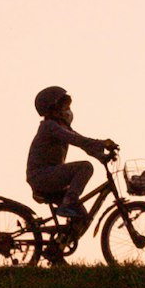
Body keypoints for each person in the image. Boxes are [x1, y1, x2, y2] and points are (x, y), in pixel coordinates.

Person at [27, 84, 114, 241]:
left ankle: (57, 251)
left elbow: (83, 144)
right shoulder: (49, 126)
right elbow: (76, 140)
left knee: (83, 218)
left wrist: (103, 157)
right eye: (64, 106)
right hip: (42, 176)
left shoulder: (61, 127)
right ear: (54, 108)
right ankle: (69, 203)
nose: (68, 111)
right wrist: (102, 143)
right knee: (85, 167)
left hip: (50, 176)